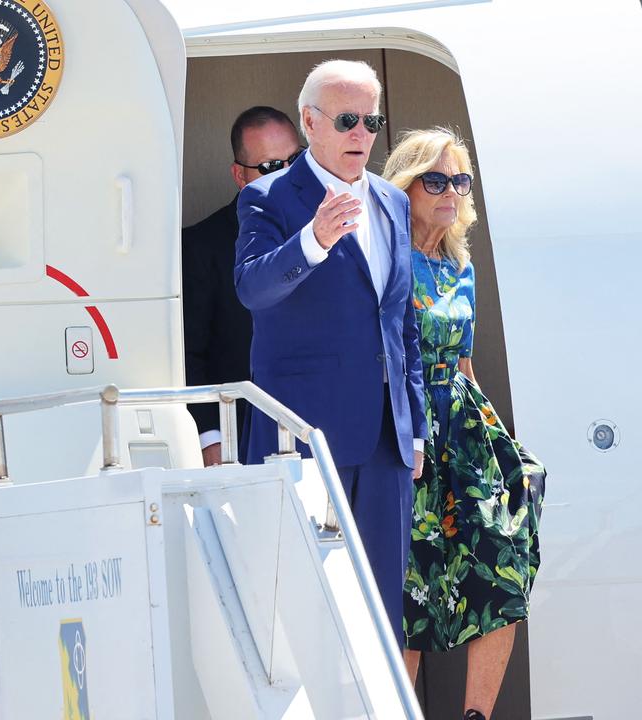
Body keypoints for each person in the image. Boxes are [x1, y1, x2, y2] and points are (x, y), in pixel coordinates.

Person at [233, 60, 426, 643]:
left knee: (380, 615)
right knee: (305, 614)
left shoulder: (391, 201)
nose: (362, 135)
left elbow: (400, 323)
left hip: (387, 443)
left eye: (373, 120)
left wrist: (413, 425)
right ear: (310, 122)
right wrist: (312, 241)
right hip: (305, 437)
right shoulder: (269, 198)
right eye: (347, 120)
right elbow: (252, 288)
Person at [383, 128, 546, 720]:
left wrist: (506, 449)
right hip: (408, 433)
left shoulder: (460, 266)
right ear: (406, 187)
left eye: (460, 181)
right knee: (413, 592)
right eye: (436, 179)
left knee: (502, 570)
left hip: (466, 434)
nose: (450, 191)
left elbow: (465, 367)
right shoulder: (386, 257)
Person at [183, 106, 302, 466]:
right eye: (269, 166)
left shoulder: (336, 227)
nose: (285, 174)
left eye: (295, 160)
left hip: (324, 426)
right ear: (240, 175)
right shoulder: (202, 245)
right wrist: (209, 436)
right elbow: (189, 352)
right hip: (243, 436)